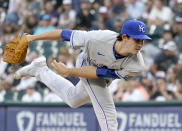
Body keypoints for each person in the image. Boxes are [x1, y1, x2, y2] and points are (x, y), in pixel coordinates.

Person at [14, 19, 151, 131]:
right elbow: (65, 34)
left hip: (100, 74)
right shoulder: (100, 37)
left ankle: (40, 70)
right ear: (125, 37)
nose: (140, 44)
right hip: (86, 61)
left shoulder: (136, 65)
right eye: (137, 40)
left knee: (72, 99)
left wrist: (69, 71)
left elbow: (100, 73)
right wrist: (32, 38)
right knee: (107, 108)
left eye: (142, 40)